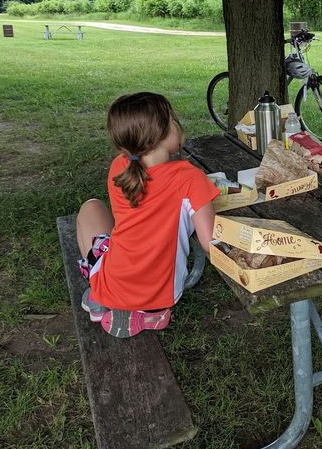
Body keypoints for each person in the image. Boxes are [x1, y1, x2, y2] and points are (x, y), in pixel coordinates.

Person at [76, 92, 219, 338]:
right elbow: (210, 243)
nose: (178, 124)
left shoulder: (119, 167)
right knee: (96, 211)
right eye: (173, 120)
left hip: (116, 281)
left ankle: (103, 296)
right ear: (161, 134)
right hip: (162, 293)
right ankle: (144, 311)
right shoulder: (190, 179)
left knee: (90, 208)